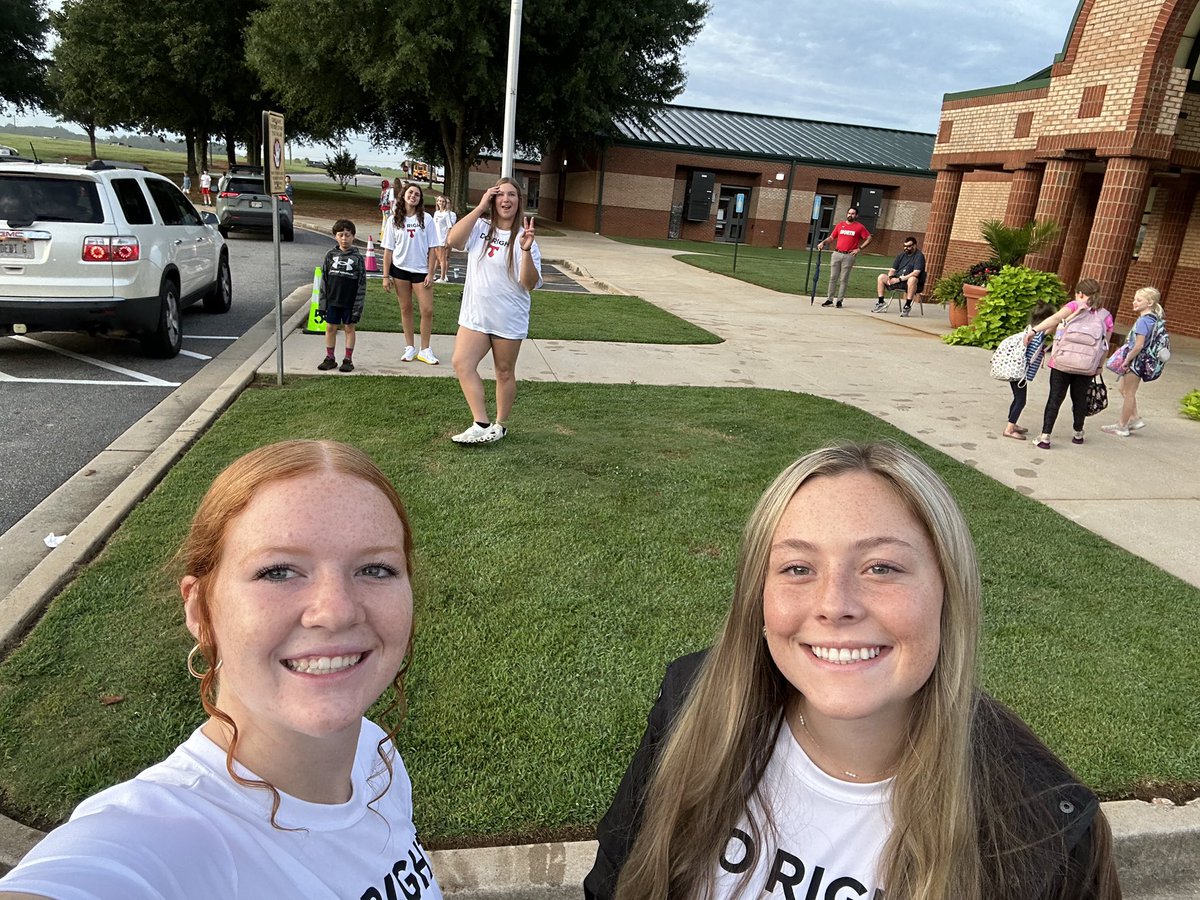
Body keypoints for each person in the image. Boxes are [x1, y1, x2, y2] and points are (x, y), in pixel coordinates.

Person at [584, 442, 1119, 900]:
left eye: (881, 567)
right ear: (758, 596)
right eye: (798, 568)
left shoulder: (1047, 830)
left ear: (948, 593)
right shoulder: (693, 705)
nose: (834, 604)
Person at [0, 440, 443, 900]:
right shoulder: (165, 839)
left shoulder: (375, 755)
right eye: (278, 571)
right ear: (199, 610)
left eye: (376, 568)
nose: (335, 611)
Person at [445, 178, 542, 444]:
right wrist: (479, 207)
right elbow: (452, 240)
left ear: (519, 201)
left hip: (508, 317)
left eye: (512, 194)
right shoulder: (479, 228)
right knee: (462, 363)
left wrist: (525, 250)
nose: (506, 199)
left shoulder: (526, 239)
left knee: (504, 371)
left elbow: (529, 283)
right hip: (476, 315)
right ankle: (480, 423)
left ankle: (500, 425)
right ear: (493, 199)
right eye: (500, 195)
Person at [1027, 278, 1113, 449]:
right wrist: (1099, 366)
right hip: (1087, 366)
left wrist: (1035, 330)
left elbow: (1056, 318)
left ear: (1080, 294)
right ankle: (1078, 433)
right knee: (1079, 399)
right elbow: (1105, 346)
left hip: (1061, 362)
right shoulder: (1105, 316)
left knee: (1055, 398)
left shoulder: (1074, 306)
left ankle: (1045, 436)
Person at [382, 182, 441, 365]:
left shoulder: (427, 219)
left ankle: (425, 349)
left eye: (417, 194)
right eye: (410, 192)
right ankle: (410, 347)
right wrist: (385, 276)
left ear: (420, 199)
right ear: (403, 195)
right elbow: (388, 250)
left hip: (421, 271)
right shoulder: (394, 220)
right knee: (405, 308)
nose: (413, 196)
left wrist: (430, 273)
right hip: (400, 270)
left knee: (427, 310)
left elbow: (433, 248)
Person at [1101, 286, 1163, 437]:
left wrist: (1127, 360)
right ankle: (1135, 419)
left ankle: (1122, 425)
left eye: (1139, 300)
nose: (1134, 302)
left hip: (1136, 362)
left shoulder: (1143, 321)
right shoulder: (1155, 319)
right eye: (1135, 299)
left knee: (1129, 393)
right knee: (1123, 389)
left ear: (1149, 303)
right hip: (1143, 361)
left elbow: (1138, 345)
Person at [317, 219, 367, 373]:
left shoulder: (358, 258)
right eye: (341, 235)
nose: (344, 238)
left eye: (348, 235)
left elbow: (362, 283)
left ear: (353, 237)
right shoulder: (330, 255)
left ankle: (348, 359)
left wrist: (357, 308)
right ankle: (330, 358)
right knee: (330, 327)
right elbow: (324, 280)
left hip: (350, 302)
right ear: (335, 237)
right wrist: (322, 304)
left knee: (349, 328)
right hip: (332, 300)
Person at [1002, 301, 1055, 440]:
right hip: (1020, 372)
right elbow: (1053, 326)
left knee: (1017, 398)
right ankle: (1009, 428)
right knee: (1021, 401)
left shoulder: (1030, 329)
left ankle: (1012, 423)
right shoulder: (1041, 333)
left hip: (1015, 369)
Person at [816, 207, 871, 308]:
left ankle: (839, 300)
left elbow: (869, 238)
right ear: (847, 214)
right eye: (849, 213)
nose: (850, 215)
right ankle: (829, 299)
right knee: (833, 278)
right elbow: (832, 237)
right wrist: (823, 242)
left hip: (849, 256)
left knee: (843, 279)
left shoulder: (859, 227)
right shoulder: (840, 225)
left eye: (853, 214)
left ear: (856, 215)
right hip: (837, 254)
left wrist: (859, 249)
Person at [873, 236, 925, 316]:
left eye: (908, 246)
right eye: (904, 246)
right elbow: (892, 269)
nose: (906, 248)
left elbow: (916, 273)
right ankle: (881, 302)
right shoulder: (901, 255)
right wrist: (890, 277)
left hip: (910, 283)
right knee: (881, 277)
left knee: (912, 279)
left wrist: (900, 279)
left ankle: (907, 305)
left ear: (914, 246)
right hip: (897, 280)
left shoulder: (919, 256)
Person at [432, 195, 458, 282]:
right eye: (439, 201)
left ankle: (442, 277)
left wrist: (447, 240)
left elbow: (449, 227)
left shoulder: (446, 214)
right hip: (435, 239)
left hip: (442, 239)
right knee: (436, 258)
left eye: (442, 201)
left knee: (442, 259)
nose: (441, 203)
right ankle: (433, 275)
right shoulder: (436, 213)